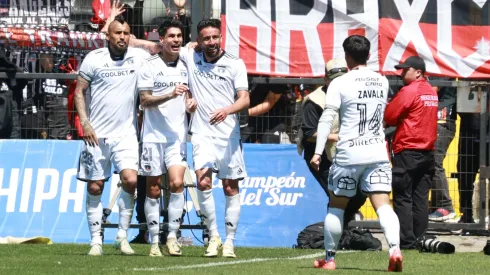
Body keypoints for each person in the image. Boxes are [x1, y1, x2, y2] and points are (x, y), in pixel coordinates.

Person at [310, 35, 402, 271]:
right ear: (369, 56)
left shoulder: (340, 83)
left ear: (347, 57)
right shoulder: (381, 81)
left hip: (349, 153)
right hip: (377, 152)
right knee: (383, 205)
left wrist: (318, 152)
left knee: (337, 206)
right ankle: (394, 250)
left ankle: (330, 259)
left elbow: (327, 118)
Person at [74, 16, 150, 256]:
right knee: (96, 187)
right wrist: (85, 123)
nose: (122, 37)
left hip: (126, 134)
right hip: (96, 135)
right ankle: (96, 240)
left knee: (130, 180)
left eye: (126, 33)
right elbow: (79, 92)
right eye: (118, 33)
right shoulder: (94, 59)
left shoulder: (138, 57)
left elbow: (163, 51)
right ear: (108, 35)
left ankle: (122, 236)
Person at [179, 19, 250, 258]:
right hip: (201, 132)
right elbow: (160, 48)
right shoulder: (191, 56)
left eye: (215, 37)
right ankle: (213, 236)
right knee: (203, 183)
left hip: (228, 134)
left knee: (230, 187)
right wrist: (188, 98)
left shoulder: (234, 63)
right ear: (199, 40)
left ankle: (229, 242)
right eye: (206, 38)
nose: (211, 42)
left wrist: (227, 110)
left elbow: (244, 100)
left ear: (221, 38)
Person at [137, 19, 197, 257]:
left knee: (176, 184)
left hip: (176, 137)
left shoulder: (186, 65)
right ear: (160, 40)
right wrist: (170, 93)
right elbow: (144, 100)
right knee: (152, 190)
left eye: (179, 37)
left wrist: (191, 104)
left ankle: (172, 236)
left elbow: (189, 97)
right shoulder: (149, 65)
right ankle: (153, 241)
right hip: (152, 137)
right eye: (171, 36)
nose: (176, 40)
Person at [298, 58, 366, 229]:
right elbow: (309, 133)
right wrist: (337, 137)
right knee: (338, 194)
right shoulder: (314, 101)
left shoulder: (351, 95)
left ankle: (344, 228)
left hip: (344, 153)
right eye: (335, 80)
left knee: (358, 194)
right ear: (326, 79)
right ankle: (336, 233)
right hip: (319, 156)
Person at [384, 56, 438, 249]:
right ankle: (421, 238)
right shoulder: (431, 91)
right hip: (427, 152)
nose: (401, 73)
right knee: (421, 198)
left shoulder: (410, 90)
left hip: (407, 149)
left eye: (405, 70)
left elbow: (389, 116)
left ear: (418, 72)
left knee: (403, 197)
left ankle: (406, 241)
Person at [428, 83, 457, 221]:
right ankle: (437, 208)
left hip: (442, 121)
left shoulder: (440, 67)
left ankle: (446, 207)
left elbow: (432, 90)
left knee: (435, 162)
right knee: (430, 163)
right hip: (434, 121)